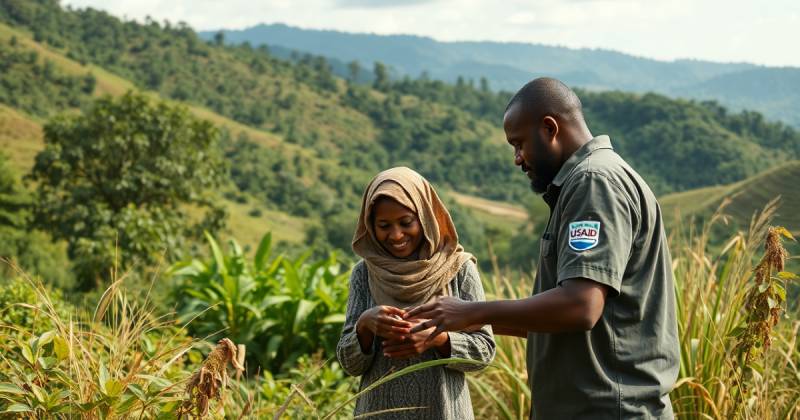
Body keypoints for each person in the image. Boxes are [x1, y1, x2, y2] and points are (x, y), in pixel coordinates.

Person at [406, 78, 680, 419]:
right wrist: (457, 319)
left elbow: (582, 307)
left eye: (519, 144)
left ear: (550, 128)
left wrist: (476, 312)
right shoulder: (582, 184)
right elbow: (556, 319)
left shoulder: (593, 182)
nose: (517, 159)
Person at [336, 166, 496, 419]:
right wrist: (365, 325)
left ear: (425, 217)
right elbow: (350, 363)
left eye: (406, 222)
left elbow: (483, 353)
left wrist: (438, 339)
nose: (396, 235)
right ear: (370, 225)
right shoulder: (364, 274)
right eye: (384, 225)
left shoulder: (458, 268)